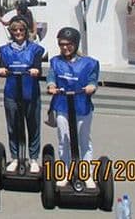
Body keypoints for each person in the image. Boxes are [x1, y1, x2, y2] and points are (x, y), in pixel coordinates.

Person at [46, 27, 99, 188]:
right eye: (62, 44)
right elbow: (51, 77)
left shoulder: (90, 63)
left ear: (75, 44)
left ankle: (86, 173)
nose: (65, 47)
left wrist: (91, 86)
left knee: (84, 140)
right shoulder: (56, 61)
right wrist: (51, 86)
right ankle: (66, 172)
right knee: (64, 139)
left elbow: (93, 80)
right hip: (62, 106)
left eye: (68, 44)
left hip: (82, 106)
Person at [0, 16, 45, 173]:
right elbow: (1, 67)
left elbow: (38, 68)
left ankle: (33, 158)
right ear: (11, 31)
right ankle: (16, 157)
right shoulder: (5, 50)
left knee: (33, 126)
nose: (18, 32)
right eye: (15, 30)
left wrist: (36, 70)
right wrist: (2, 70)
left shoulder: (34, 49)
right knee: (13, 127)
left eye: (21, 30)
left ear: (26, 31)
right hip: (12, 93)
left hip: (30, 93)